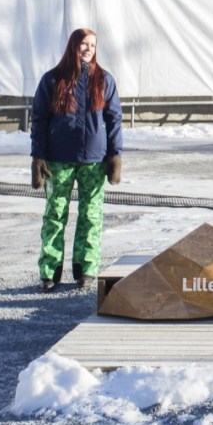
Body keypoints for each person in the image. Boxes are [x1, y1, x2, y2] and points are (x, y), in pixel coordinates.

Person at [30, 28, 123, 291]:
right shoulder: (52, 80)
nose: (88, 49)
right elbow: (39, 120)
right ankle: (49, 271)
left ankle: (86, 270)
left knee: (91, 216)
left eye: (93, 45)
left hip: (94, 160)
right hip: (58, 160)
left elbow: (114, 119)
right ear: (73, 46)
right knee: (54, 214)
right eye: (84, 44)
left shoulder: (104, 80)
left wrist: (115, 155)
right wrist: (38, 157)